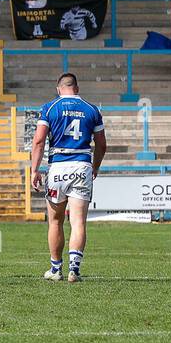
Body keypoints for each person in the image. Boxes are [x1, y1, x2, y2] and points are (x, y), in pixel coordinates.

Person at [29, 72, 106, 283]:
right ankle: (74, 269)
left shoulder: (50, 108)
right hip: (81, 166)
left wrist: (34, 170)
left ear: (58, 89)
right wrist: (95, 167)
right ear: (77, 88)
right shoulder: (92, 109)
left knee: (55, 221)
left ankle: (56, 269)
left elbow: (38, 141)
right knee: (78, 221)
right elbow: (101, 145)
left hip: (58, 167)